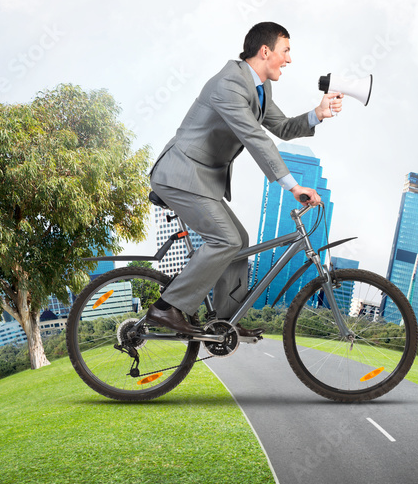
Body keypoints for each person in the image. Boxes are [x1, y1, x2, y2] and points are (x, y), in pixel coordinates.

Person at [146, 22, 342, 336]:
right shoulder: (229, 84)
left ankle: (225, 323)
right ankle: (168, 307)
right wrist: (293, 185)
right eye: (286, 51)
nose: (289, 60)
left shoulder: (260, 88)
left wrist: (317, 114)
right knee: (227, 240)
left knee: (240, 243)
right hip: (180, 175)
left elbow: (282, 128)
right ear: (266, 51)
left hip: (201, 181)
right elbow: (254, 137)